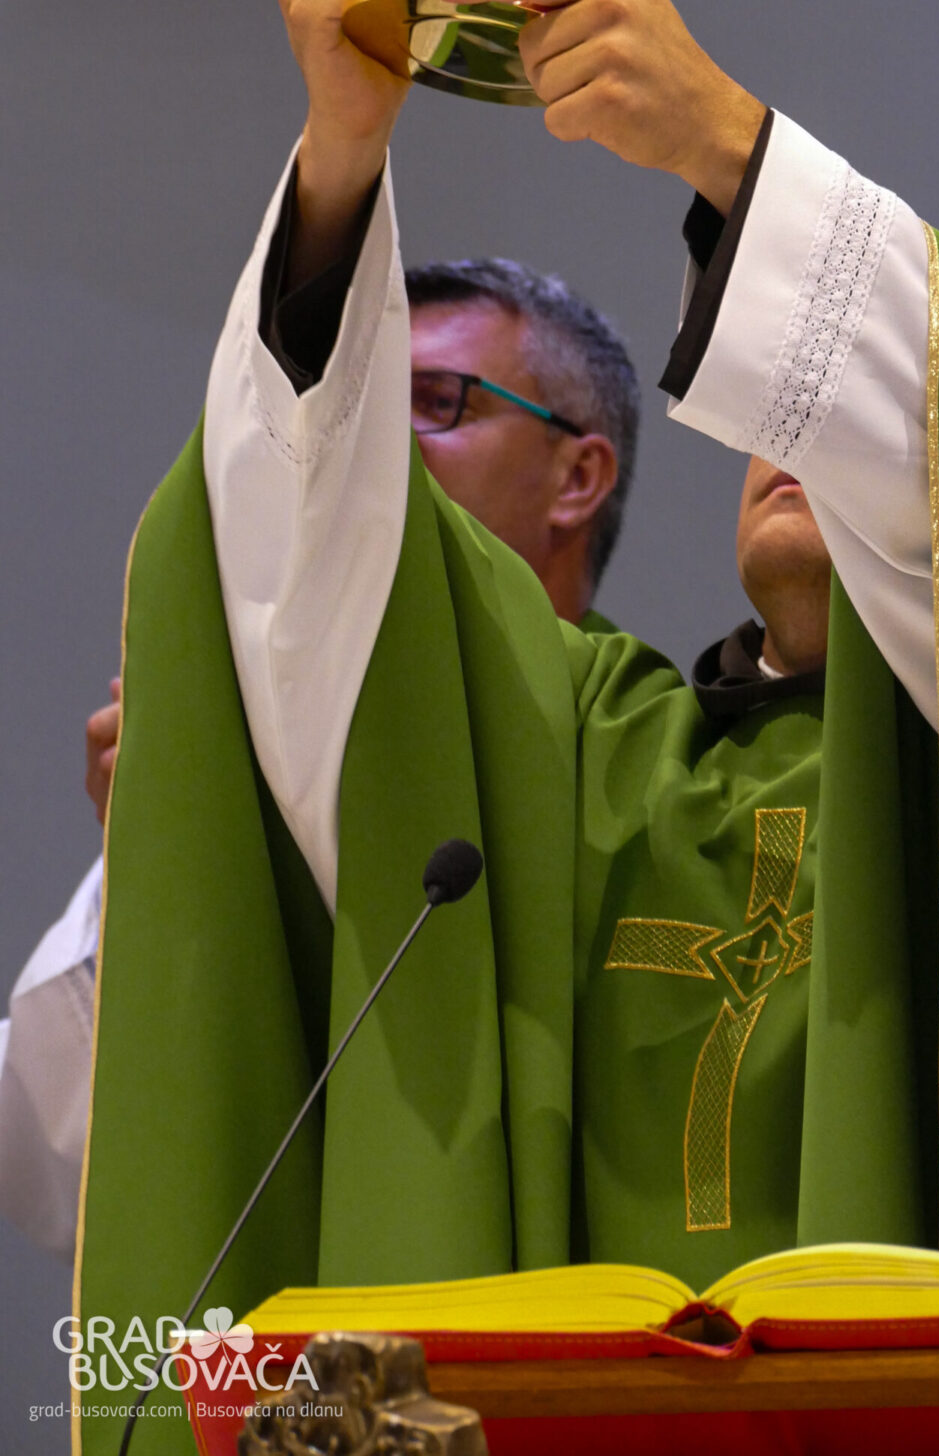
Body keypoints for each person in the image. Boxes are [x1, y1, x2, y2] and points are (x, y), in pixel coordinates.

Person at [75, 0, 939, 1455]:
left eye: (837, 414)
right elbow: (314, 579)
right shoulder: (575, 759)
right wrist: (341, 160)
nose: (794, 434)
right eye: (779, 416)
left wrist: (727, 147)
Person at [0, 250, 639, 1263]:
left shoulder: (649, 776)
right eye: (366, 408)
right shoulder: (268, 762)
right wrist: (167, 868)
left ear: (577, 476)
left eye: (435, 402)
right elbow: (54, 1160)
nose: (375, 444)